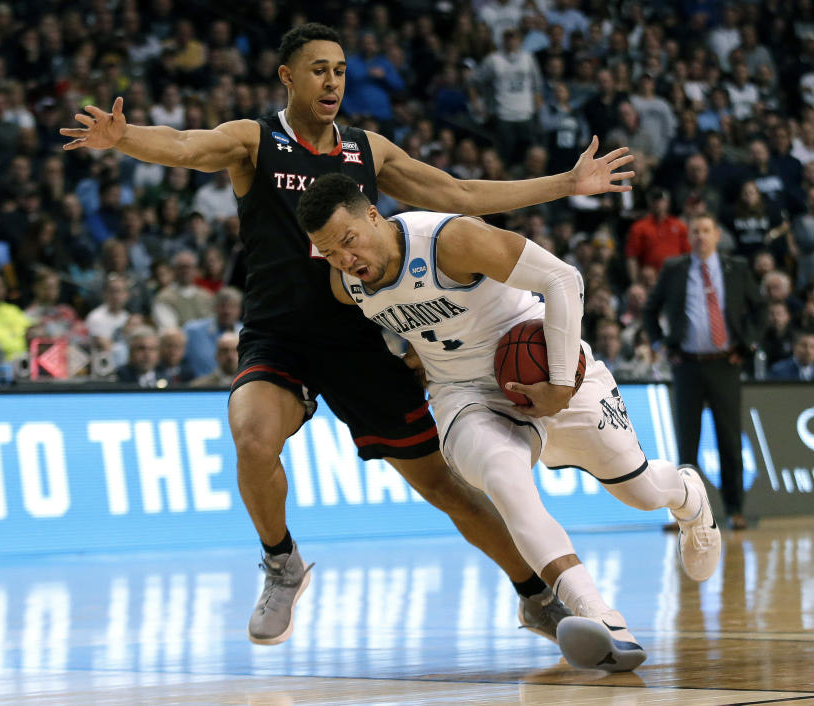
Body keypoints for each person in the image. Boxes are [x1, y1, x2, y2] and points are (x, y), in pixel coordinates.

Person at [60, 23, 636, 649]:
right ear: (287, 77)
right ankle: (281, 563)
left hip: (365, 339)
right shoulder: (255, 141)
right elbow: (182, 143)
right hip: (279, 336)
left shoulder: (368, 150)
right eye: (317, 70)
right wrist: (125, 140)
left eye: (339, 69)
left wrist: (565, 185)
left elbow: (461, 193)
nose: (331, 81)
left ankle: (535, 596)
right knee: (252, 437)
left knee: (447, 487)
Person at [296, 173, 722, 672]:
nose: (346, 260)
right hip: (466, 395)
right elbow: (395, 329)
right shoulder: (346, 285)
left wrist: (561, 382)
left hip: (542, 362)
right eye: (330, 253)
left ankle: (688, 496)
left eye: (348, 241)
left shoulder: (448, 241)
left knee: (642, 492)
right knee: (503, 478)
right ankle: (604, 619)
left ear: (373, 215)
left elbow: (563, 278)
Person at [643, 213, 767, 531]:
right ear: (689, 237)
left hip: (726, 363)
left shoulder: (736, 268)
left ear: (717, 236)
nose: (700, 236)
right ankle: (687, 515)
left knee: (729, 440)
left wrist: (748, 344)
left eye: (706, 231)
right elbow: (650, 309)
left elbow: (761, 308)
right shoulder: (675, 268)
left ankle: (735, 511)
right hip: (687, 364)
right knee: (687, 443)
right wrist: (660, 342)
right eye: (695, 231)